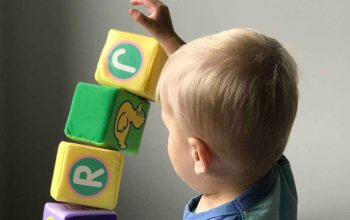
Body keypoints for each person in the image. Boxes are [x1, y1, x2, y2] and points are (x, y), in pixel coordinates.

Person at [129, 0, 298, 219]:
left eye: (169, 129)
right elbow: (227, 102)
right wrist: (169, 38)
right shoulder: (263, 155)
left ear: (199, 155)